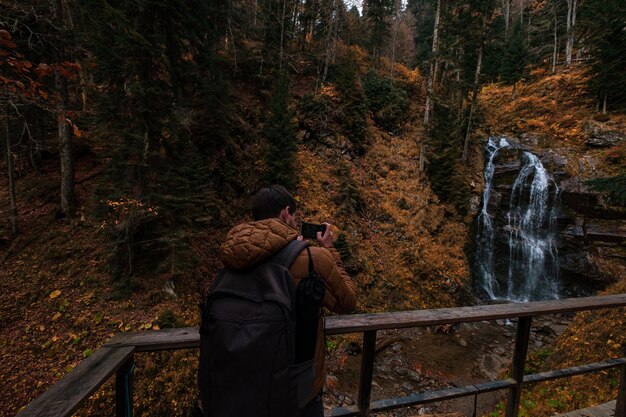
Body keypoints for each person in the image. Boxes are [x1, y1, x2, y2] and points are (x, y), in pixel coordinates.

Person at [218, 184, 357, 416]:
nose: (294, 221)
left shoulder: (233, 256)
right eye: (293, 216)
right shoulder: (313, 258)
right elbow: (347, 302)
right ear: (285, 213)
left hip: (244, 384)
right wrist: (329, 250)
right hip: (297, 388)